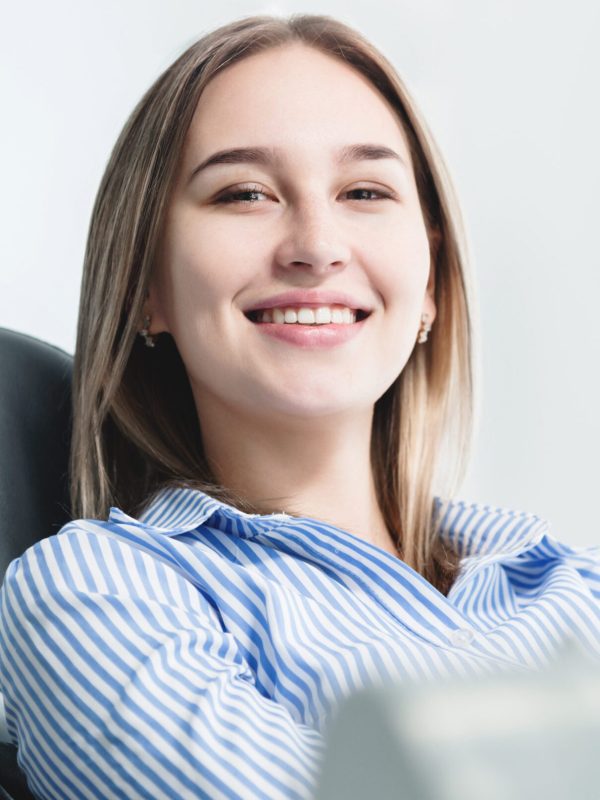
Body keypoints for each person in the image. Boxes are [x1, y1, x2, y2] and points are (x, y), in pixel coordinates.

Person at [1, 12, 599, 800]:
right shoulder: (93, 596)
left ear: (431, 288)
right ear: (147, 287)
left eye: (364, 190)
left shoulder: (567, 582)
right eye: (245, 192)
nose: (316, 245)